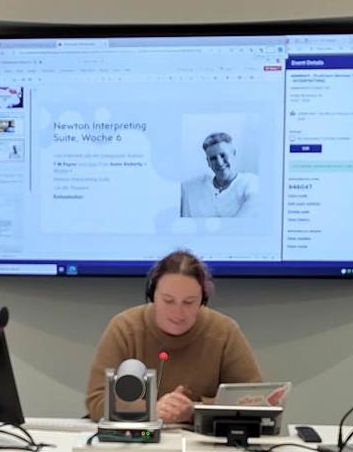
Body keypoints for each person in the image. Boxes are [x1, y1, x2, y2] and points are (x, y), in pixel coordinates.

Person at [84, 250, 263, 423]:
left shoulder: (224, 332)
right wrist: (150, 409)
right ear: (152, 296)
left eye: (189, 302)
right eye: (168, 301)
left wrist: (194, 410)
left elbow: (256, 401)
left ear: (203, 301)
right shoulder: (125, 328)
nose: (178, 313)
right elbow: (97, 401)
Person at [178, 132, 259, 218]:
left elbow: (252, 209)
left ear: (234, 154)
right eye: (213, 158)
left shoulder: (251, 182)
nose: (219, 163)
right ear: (208, 162)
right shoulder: (193, 186)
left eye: (223, 155)